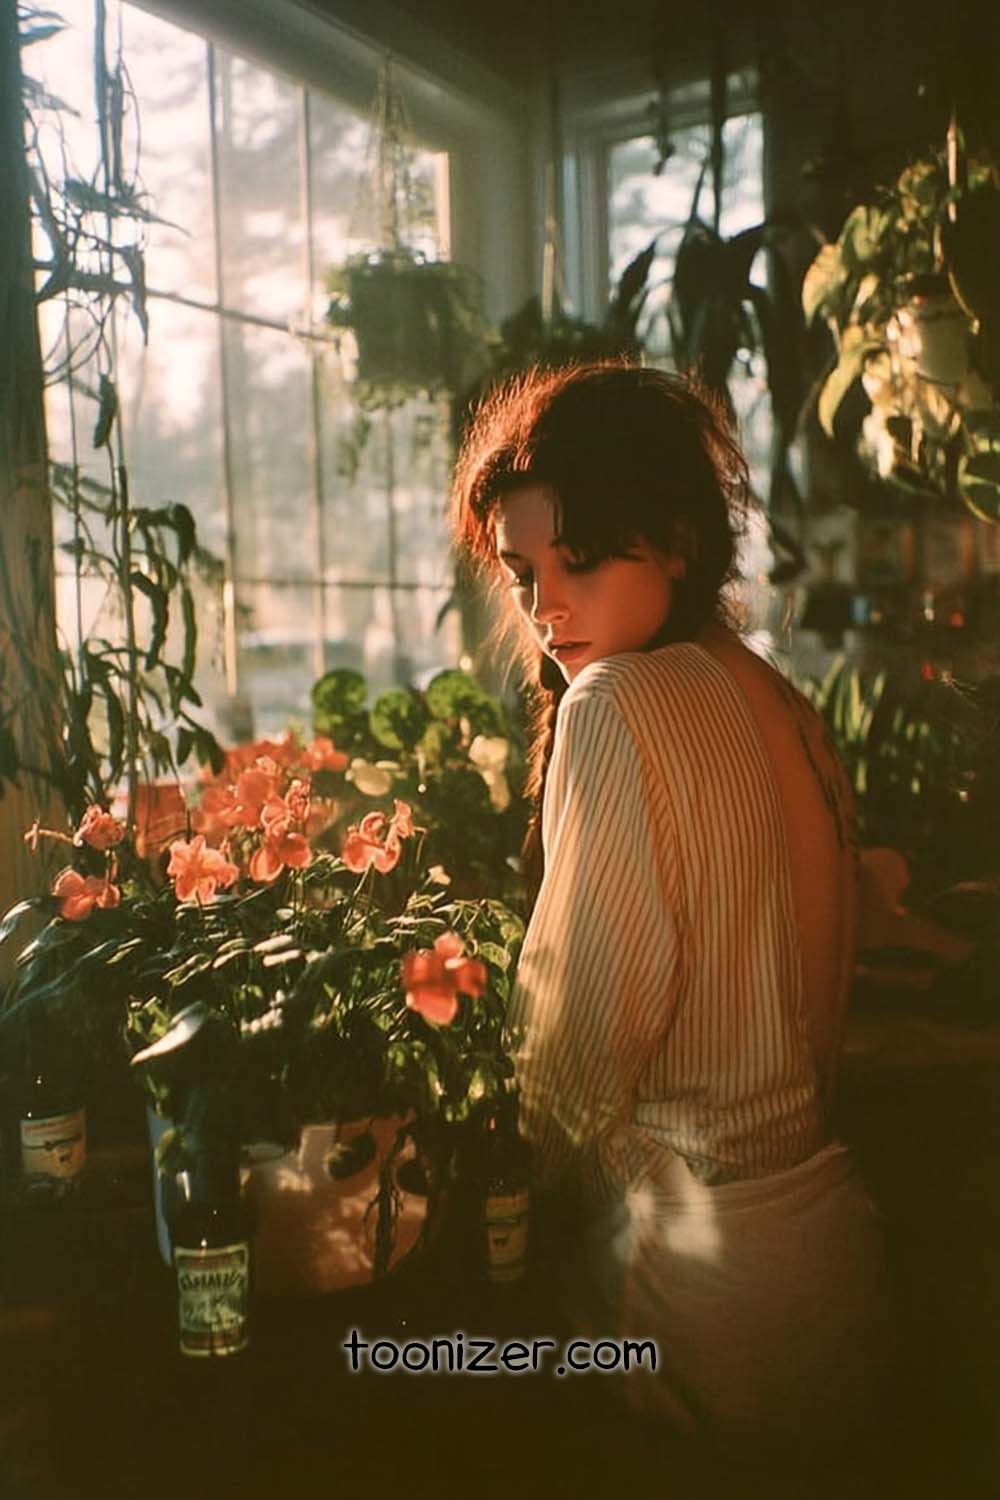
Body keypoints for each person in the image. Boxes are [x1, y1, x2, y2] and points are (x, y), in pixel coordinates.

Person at [450, 361, 893, 1451]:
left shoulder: (615, 702)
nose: (547, 605)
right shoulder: (763, 694)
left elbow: (576, 1050)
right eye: (520, 573)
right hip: (837, 1266)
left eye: (583, 561)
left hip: (690, 1291)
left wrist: (509, 1166)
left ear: (680, 543)